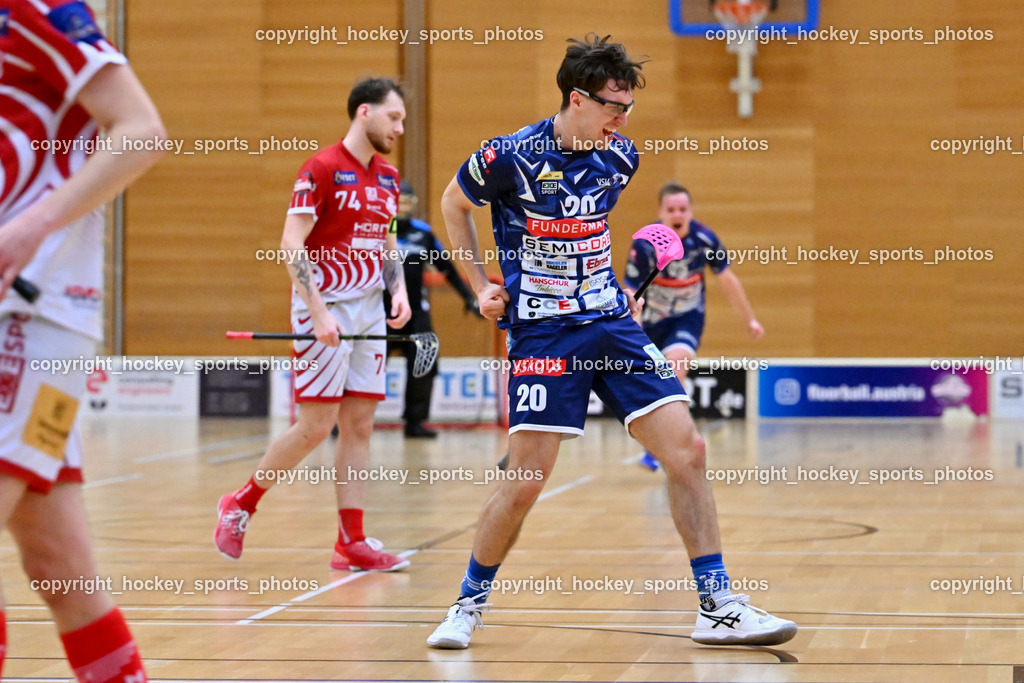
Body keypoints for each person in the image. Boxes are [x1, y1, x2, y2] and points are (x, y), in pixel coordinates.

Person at [426, 33, 796, 649]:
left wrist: (612, 288)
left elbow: (588, 229)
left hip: (613, 323)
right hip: (544, 331)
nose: (623, 120)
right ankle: (467, 603)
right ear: (577, 98)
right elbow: (453, 204)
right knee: (526, 479)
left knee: (688, 451)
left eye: (629, 108)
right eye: (613, 107)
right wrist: (480, 283)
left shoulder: (621, 157)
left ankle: (717, 605)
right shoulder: (508, 156)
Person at [0, 1, 165, 679]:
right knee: (60, 568)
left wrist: (33, 225)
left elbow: (142, 131)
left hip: (30, 316)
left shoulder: (31, 9)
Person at [214, 77, 413, 572]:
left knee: (360, 425)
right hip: (324, 307)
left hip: (370, 311)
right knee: (315, 427)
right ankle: (241, 502)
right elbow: (291, 243)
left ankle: (352, 542)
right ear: (364, 112)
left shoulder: (389, 178)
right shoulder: (321, 168)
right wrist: (319, 312)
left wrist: (399, 291)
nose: (399, 128)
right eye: (393, 117)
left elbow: (386, 241)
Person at [625, 183, 763, 470]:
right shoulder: (645, 245)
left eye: (683, 209)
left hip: (687, 318)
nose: (677, 214)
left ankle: (666, 447)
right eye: (671, 209)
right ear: (661, 212)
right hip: (651, 321)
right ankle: (659, 441)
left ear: (691, 211)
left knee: (674, 369)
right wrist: (632, 332)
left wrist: (749, 319)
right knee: (651, 382)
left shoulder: (704, 240)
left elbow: (727, 280)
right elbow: (633, 294)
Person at [385, 182, 482, 438]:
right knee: (365, 365)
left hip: (416, 312)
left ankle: (415, 421)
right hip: (380, 312)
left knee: (424, 360)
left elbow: (447, 269)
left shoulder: (422, 233)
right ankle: (346, 420)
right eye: (398, 201)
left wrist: (469, 299)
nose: (402, 206)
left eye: (407, 201)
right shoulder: (380, 231)